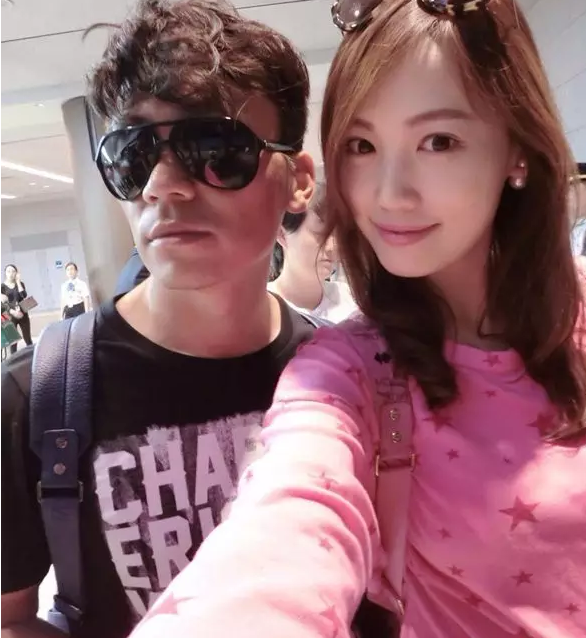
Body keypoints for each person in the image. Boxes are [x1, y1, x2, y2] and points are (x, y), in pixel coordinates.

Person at [129, 1, 586, 638]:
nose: (389, 193)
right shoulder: (349, 373)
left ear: (517, 150)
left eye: (438, 141)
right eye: (361, 146)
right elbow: (288, 523)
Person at [0, 1, 315, 637]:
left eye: (215, 147)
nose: (162, 185)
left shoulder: (344, 378)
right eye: (134, 153)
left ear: (298, 181)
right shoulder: (37, 397)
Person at [268, 183, 357, 322]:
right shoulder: (261, 308)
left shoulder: (351, 302)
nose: (333, 247)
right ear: (282, 235)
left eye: (339, 235)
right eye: (321, 233)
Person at [1, 264, 33, 354]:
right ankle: (14, 360)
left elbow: (23, 295)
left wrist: (18, 282)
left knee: (28, 339)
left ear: (16, 273)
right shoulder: (2, 287)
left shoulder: (20, 284)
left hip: (23, 314)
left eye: (13, 271)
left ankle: (32, 357)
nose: (11, 273)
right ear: (5, 273)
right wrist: (12, 312)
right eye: (8, 271)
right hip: (10, 316)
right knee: (13, 342)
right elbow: (2, 305)